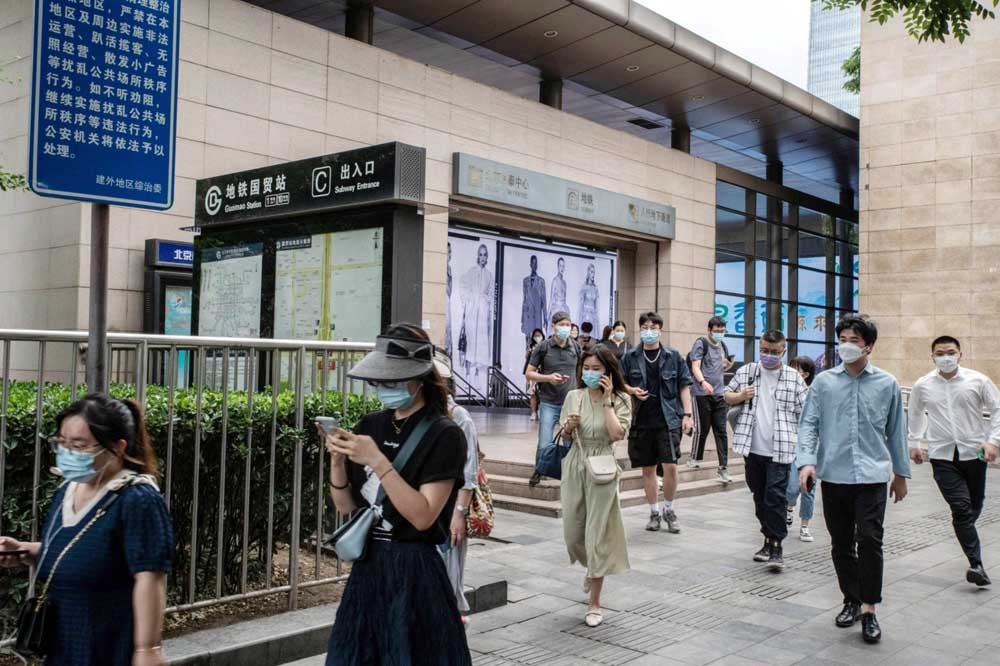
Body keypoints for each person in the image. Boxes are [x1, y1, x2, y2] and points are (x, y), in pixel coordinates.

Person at [321, 324, 471, 665]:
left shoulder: (445, 434)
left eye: (392, 380)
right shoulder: (370, 425)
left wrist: (378, 460)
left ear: (419, 378)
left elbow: (423, 516)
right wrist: (338, 461)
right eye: (378, 381)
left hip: (415, 571)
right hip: (368, 567)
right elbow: (346, 505)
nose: (383, 388)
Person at [0, 393, 174, 666]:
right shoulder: (67, 491)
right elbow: (82, 552)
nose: (68, 452)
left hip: (109, 648)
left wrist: (147, 649)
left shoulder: (137, 499)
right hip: (64, 646)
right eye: (62, 442)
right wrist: (25, 551)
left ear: (118, 447)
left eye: (79, 445)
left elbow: (149, 577)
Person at [798, 315, 910, 645]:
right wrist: (806, 462)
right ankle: (851, 600)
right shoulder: (823, 383)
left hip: (873, 476)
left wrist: (901, 474)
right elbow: (809, 424)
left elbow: (896, 431)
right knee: (842, 543)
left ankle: (870, 609)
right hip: (834, 476)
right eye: (843, 339)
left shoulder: (887, 384)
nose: (846, 346)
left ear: (869, 346)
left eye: (854, 341)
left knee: (871, 540)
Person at [907, 335, 1000, 587]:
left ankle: (965, 529)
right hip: (941, 455)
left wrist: (993, 441)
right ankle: (976, 564)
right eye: (940, 353)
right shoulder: (923, 384)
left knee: (974, 505)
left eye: (950, 352)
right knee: (960, 507)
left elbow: (997, 408)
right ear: (932, 357)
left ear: (960, 354)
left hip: (974, 452)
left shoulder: (978, 380)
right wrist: (914, 443)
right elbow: (915, 413)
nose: (945, 357)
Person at [558, 347, 632, 628]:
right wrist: (568, 427)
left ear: (608, 372)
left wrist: (608, 402)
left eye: (596, 369)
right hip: (575, 463)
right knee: (572, 534)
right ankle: (591, 567)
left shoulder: (621, 399)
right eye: (586, 368)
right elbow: (563, 437)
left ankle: (595, 602)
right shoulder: (573, 396)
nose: (590, 373)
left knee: (597, 534)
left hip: (602, 466)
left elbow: (616, 434)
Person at [725, 331, 808, 571]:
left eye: (774, 352)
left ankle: (776, 545)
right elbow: (726, 395)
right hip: (752, 448)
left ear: (783, 351)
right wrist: (741, 395)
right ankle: (768, 539)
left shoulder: (794, 378)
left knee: (775, 498)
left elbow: (807, 412)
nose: (768, 355)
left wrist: (805, 448)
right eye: (764, 350)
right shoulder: (748, 372)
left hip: (781, 450)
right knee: (759, 497)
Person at [620, 311, 694, 533]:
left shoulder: (673, 356)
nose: (649, 331)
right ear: (640, 329)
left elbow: (684, 386)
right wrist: (632, 390)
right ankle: (654, 512)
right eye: (645, 327)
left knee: (671, 466)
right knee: (648, 469)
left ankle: (669, 509)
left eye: (653, 328)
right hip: (641, 420)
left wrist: (688, 415)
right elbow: (620, 383)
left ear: (660, 330)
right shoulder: (630, 357)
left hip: (668, 420)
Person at [433, 349, 481, 621]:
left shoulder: (459, 416)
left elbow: (469, 469)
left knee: (448, 579)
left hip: (449, 509)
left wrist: (459, 513)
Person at [525, 311, 581, 487]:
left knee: (569, 438)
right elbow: (529, 373)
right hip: (549, 401)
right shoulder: (544, 347)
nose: (565, 328)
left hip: (570, 401)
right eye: (561, 325)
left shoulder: (575, 347)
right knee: (545, 441)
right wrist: (548, 378)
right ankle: (539, 470)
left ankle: (569, 471)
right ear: (553, 326)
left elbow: (581, 370)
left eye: (568, 325)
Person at [689, 316, 734, 483]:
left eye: (722, 331)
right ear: (709, 330)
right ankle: (695, 457)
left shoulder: (723, 345)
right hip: (702, 393)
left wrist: (728, 364)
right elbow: (695, 366)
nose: (719, 333)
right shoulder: (701, 343)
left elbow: (722, 366)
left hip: (719, 393)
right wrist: (703, 382)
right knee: (702, 428)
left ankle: (723, 468)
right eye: (716, 331)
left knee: (721, 431)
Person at [786, 356, 818, 542]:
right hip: (791, 446)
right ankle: (789, 507)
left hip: (811, 448)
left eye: (795, 368)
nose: (790, 371)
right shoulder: (787, 390)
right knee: (791, 488)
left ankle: (805, 526)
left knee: (809, 489)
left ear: (805, 374)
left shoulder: (814, 394)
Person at [460, 244, 494, 384]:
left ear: (487, 257)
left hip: (483, 315)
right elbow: (463, 287)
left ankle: (477, 375)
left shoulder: (489, 275)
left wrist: (485, 301)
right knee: (470, 343)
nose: (482, 257)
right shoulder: (471, 272)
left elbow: (491, 294)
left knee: (480, 345)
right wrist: (469, 302)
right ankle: (468, 373)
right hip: (472, 314)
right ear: (477, 256)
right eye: (480, 254)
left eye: (485, 255)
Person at [521, 255, 547, 347]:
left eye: (536, 263)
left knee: (537, 340)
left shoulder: (541, 281)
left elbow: (544, 301)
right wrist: (522, 319)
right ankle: (527, 354)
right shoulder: (525, 281)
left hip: (537, 315)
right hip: (528, 315)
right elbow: (524, 300)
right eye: (533, 263)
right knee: (528, 341)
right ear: (530, 264)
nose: (534, 265)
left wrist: (545, 318)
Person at [524, 328, 546, 422]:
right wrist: (530, 351)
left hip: (542, 372)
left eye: (539, 335)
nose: (537, 337)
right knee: (532, 392)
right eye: (536, 336)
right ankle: (533, 412)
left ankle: (541, 411)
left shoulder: (545, 346)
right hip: (532, 372)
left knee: (543, 393)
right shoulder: (531, 346)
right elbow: (526, 358)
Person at [578, 264, 600, 333]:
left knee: (593, 333)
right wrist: (581, 316)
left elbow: (596, 305)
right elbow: (581, 304)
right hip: (585, 315)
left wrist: (596, 317)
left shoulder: (595, 288)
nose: (593, 274)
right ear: (588, 273)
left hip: (593, 315)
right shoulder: (584, 287)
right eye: (591, 272)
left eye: (594, 272)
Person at [550, 257, 570, 322]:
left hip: (564, 310)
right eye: (560, 266)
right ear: (557, 266)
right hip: (556, 310)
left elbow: (565, 299)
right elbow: (551, 299)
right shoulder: (555, 281)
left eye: (563, 266)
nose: (562, 268)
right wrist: (547, 316)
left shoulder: (564, 283)